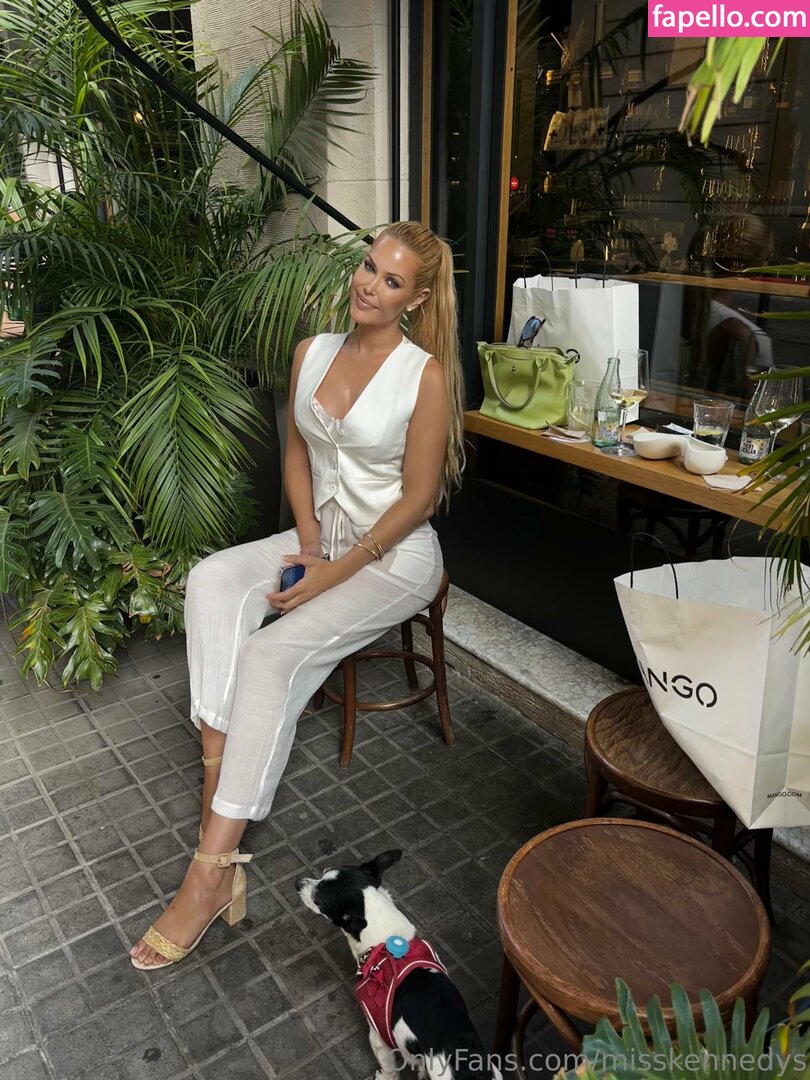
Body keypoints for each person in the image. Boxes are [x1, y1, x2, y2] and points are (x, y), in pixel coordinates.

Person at [129, 221, 465, 968]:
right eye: (368, 266)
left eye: (391, 281)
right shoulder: (312, 351)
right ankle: (219, 773)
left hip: (393, 557)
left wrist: (332, 574)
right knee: (212, 579)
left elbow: (419, 498)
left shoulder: (424, 376)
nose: (368, 285)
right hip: (323, 539)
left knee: (269, 656)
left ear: (416, 299)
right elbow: (295, 454)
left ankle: (210, 872)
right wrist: (309, 546)